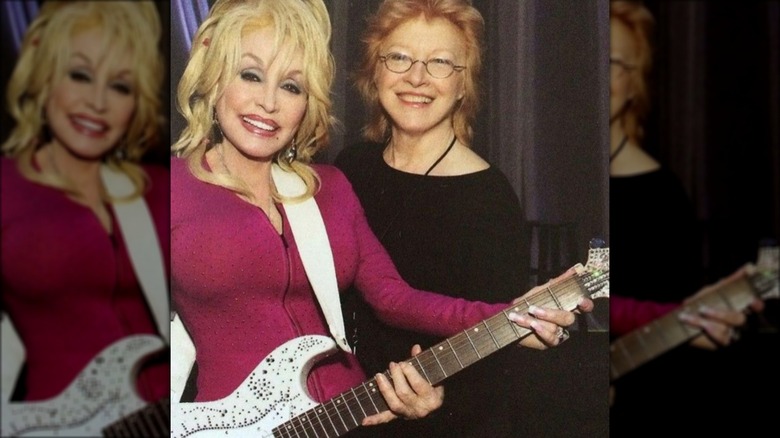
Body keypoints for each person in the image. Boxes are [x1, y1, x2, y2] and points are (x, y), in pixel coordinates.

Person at [169, 0, 593, 434]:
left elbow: (394, 297)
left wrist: (509, 316)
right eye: (251, 75)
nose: (269, 103)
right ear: (214, 74)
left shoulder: (327, 187)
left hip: (354, 419)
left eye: (292, 86)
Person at [334, 1, 594, 436]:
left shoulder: (487, 199)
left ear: (462, 86)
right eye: (399, 57)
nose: (416, 77)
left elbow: (502, 366)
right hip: (335, 409)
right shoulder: (350, 167)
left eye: (440, 63)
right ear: (373, 72)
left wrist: (437, 402)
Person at [0, 1, 169, 436]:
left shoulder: (157, 188)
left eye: (120, 86)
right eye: (80, 75)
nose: (97, 102)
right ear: (45, 77)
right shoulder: (7, 188)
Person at [608, 0, 764, 434]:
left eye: (612, 62)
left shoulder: (661, 198)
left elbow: (670, 343)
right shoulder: (555, 179)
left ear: (634, 84)